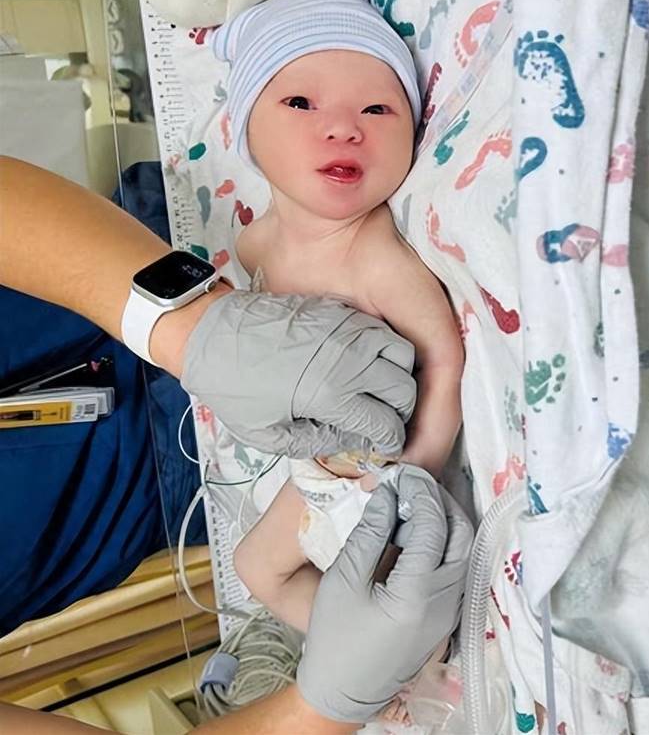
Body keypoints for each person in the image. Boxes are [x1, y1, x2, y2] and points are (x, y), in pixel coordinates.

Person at [0, 155, 473, 733]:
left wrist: (186, 325)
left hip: (152, 268)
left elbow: (439, 367)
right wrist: (326, 703)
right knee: (268, 569)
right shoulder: (286, 529)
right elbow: (263, 569)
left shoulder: (293, 249)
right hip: (175, 478)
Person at [212, 0, 464, 647]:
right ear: (244, 130)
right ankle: (370, 664)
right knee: (255, 568)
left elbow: (444, 359)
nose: (345, 128)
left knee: (382, 589)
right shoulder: (252, 245)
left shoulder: (373, 256)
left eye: (378, 109)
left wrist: (415, 472)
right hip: (316, 468)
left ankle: (411, 652)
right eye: (301, 103)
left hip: (385, 478)